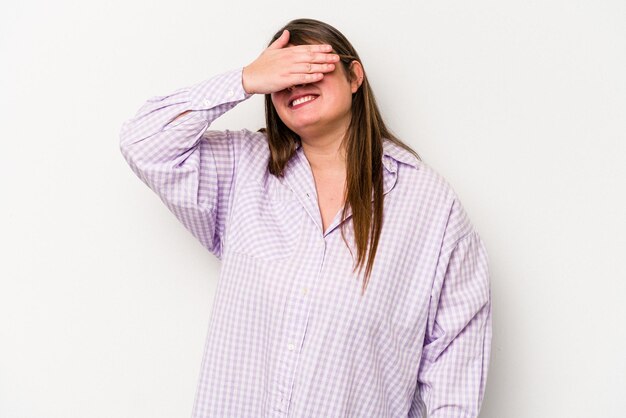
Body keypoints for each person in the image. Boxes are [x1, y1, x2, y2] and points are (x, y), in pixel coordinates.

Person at [119, 18, 492, 418]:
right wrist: (244, 79)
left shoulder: (430, 206)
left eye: (311, 66)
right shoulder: (242, 169)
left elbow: (455, 364)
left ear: (354, 76)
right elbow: (143, 142)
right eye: (283, 75)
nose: (295, 83)